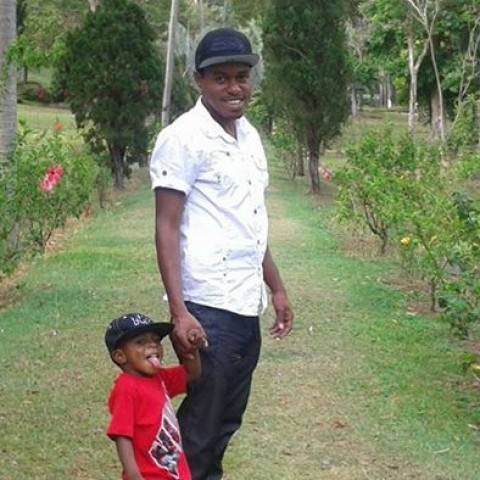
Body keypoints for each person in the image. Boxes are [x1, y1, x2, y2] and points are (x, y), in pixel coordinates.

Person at [149, 27, 294, 480]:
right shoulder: (182, 138)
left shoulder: (248, 136)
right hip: (207, 305)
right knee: (201, 425)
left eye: (241, 77)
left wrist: (276, 287)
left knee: (227, 420)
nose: (234, 88)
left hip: (245, 302)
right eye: (221, 78)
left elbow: (248, 221)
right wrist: (179, 313)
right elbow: (166, 227)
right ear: (199, 80)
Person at [105, 312, 202, 480]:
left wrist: (190, 351)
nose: (152, 345)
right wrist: (134, 476)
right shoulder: (126, 387)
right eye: (140, 342)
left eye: (156, 340)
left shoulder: (159, 378)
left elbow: (191, 374)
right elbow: (122, 436)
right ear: (120, 356)